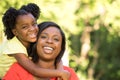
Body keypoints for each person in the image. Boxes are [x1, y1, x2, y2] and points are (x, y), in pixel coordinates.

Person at [0, 3, 70, 80]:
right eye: (25, 27)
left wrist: (60, 70)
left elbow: (55, 56)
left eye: (34, 24)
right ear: (15, 32)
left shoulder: (32, 39)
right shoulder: (14, 47)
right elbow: (34, 70)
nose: (32, 29)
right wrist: (60, 73)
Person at [3, 21, 79, 80]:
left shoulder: (68, 74)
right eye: (43, 37)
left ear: (61, 47)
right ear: (35, 41)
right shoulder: (18, 69)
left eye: (56, 39)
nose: (49, 41)